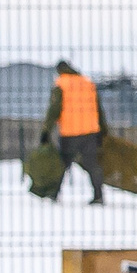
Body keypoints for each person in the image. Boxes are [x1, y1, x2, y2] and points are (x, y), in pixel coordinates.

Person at [40, 60, 106, 204]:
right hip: (90, 131)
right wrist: (103, 130)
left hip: (71, 132)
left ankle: (54, 193)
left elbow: (54, 110)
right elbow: (99, 109)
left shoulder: (61, 84)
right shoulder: (87, 83)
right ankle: (99, 195)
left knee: (63, 163)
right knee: (92, 164)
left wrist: (46, 131)